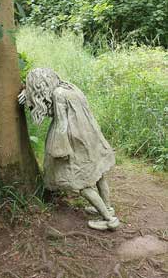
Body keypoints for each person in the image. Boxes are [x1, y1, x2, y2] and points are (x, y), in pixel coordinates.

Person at [18, 68, 120, 230]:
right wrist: (29, 95)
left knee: (81, 182)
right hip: (90, 136)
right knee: (98, 173)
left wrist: (59, 150)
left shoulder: (58, 95)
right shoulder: (67, 87)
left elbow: (61, 123)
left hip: (75, 142)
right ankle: (107, 207)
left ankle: (109, 220)